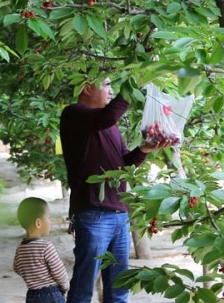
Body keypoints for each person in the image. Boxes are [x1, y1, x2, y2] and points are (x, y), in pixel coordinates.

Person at [60, 77, 169, 303]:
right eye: (107, 85)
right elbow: (108, 115)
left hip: (119, 215)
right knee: (83, 287)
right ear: (87, 87)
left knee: (119, 289)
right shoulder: (73, 114)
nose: (111, 91)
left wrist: (145, 149)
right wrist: (135, 81)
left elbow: (124, 164)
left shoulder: (108, 125)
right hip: (93, 214)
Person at [13, 197, 70, 303]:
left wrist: (33, 277)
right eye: (49, 218)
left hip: (31, 295)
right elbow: (59, 272)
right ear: (38, 223)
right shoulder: (46, 247)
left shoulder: (20, 249)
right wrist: (65, 287)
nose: (50, 222)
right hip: (51, 294)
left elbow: (17, 268)